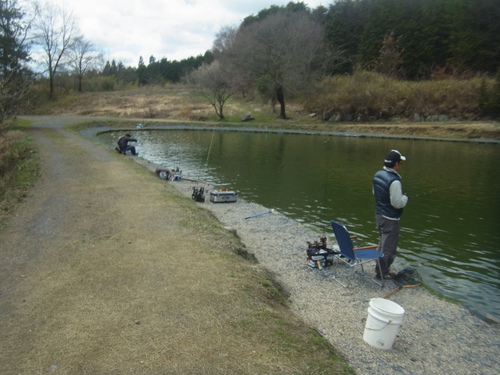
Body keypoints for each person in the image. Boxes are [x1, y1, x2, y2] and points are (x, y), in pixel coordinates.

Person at [372, 149, 409, 279]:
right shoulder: (395, 181)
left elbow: (375, 194)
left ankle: (379, 268)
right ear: (396, 164)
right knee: (389, 248)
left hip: (379, 215)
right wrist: (406, 198)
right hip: (390, 218)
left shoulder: (378, 174)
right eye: (400, 163)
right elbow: (397, 203)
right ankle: (383, 273)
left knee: (382, 243)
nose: (400, 165)